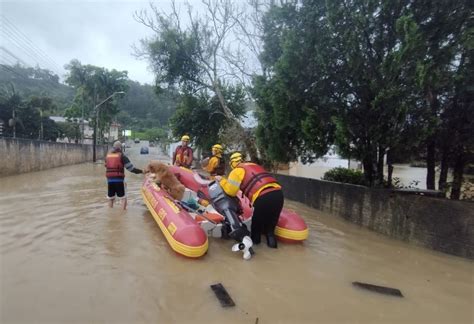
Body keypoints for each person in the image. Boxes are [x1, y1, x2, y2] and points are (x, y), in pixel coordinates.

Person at [216, 152, 283, 248]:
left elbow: (231, 191)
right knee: (270, 231)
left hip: (262, 197)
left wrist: (221, 180)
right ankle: (272, 250)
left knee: (256, 228)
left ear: (232, 163)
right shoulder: (255, 165)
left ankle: (256, 250)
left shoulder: (236, 171)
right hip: (278, 194)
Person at [105, 140, 143, 210]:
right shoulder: (122, 156)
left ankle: (110, 212)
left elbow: (106, 166)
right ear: (121, 148)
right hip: (119, 179)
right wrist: (142, 171)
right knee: (123, 198)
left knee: (111, 198)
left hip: (109, 180)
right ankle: (122, 214)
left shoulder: (108, 156)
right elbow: (131, 169)